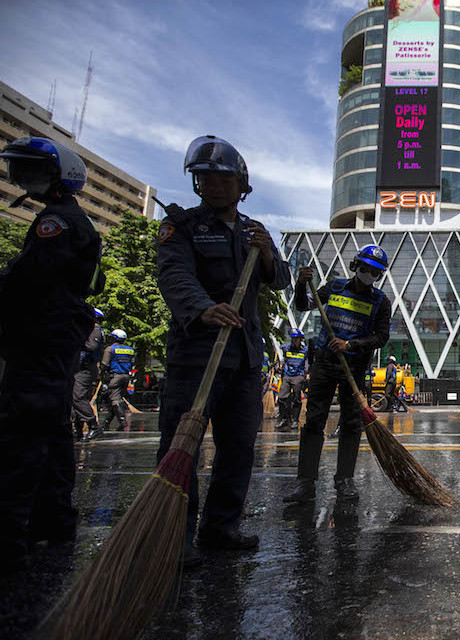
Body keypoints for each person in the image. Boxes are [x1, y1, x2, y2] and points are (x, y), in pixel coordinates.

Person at [157, 135, 290, 562]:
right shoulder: (183, 228)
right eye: (204, 179)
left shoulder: (254, 231)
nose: (213, 186)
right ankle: (176, 533)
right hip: (197, 352)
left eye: (222, 179)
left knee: (238, 446)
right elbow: (173, 274)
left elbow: (279, 279)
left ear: (241, 183)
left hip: (245, 356)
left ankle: (221, 527)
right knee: (182, 443)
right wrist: (202, 308)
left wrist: (267, 254)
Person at [0, 136, 104, 571]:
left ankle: (8, 531)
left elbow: (28, 277)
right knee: (53, 427)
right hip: (52, 336)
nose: (26, 180)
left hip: (43, 334)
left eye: (35, 173)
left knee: (22, 429)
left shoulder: (58, 222)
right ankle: (55, 518)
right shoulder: (63, 219)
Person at [283, 244, 390, 504]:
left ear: (379, 276)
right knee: (314, 422)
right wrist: (300, 284)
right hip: (325, 364)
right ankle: (305, 483)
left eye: (374, 273)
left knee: (352, 424)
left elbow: (381, 337)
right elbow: (303, 304)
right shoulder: (335, 287)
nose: (368, 275)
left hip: (354, 367)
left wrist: (351, 344)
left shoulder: (380, 301)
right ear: (356, 266)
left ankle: (344, 480)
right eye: (365, 269)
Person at [89, 329, 134, 438]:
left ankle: (123, 422)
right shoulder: (130, 350)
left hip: (115, 376)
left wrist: (101, 375)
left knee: (115, 399)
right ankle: (106, 423)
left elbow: (104, 364)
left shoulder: (110, 349)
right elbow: (132, 363)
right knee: (116, 399)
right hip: (126, 376)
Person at [72, 308, 104, 441]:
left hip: (85, 367)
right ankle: (78, 428)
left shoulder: (95, 329)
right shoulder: (90, 329)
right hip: (81, 367)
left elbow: (91, 347)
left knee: (77, 397)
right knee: (73, 396)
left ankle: (93, 425)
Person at [276, 329, 308, 432]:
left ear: (300, 339)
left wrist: (306, 374)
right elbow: (284, 360)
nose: (294, 341)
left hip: (298, 376)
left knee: (296, 398)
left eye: (296, 339)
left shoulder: (305, 350)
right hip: (287, 375)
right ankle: (284, 418)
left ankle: (295, 419)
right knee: (282, 397)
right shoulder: (286, 348)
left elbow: (308, 362)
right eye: (293, 339)